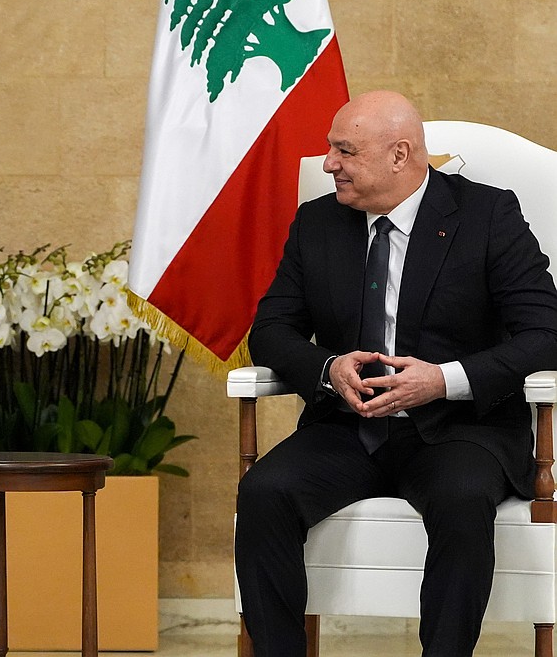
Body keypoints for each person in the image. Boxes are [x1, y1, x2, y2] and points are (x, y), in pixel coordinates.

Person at [234, 90, 557, 656]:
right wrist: (328, 367)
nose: (329, 164)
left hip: (460, 430)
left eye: (345, 151)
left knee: (461, 498)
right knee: (263, 492)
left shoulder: (487, 215)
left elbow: (545, 332)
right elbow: (271, 330)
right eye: (332, 150)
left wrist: (444, 379)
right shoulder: (318, 222)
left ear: (399, 155)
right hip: (347, 429)